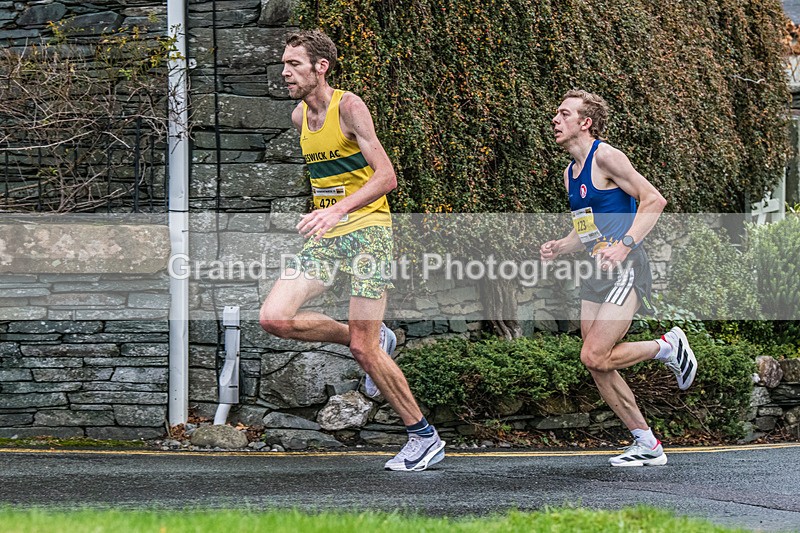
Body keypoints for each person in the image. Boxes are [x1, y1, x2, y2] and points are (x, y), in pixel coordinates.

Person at [259, 29, 445, 472]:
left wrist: (336, 211)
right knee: (274, 318)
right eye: (284, 64)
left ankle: (424, 437)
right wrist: (323, 215)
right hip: (329, 234)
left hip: (368, 232)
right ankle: (372, 338)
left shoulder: (350, 106)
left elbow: (386, 177)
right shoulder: (298, 117)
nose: (285, 72)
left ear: (320, 67)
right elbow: (329, 180)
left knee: (364, 351)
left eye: (294, 64)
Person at [540, 89, 697, 467]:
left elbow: (653, 200)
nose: (556, 121)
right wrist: (561, 246)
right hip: (597, 272)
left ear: (585, 122)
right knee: (595, 361)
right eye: (557, 115)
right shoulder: (570, 174)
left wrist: (625, 245)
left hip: (626, 267)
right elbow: (587, 231)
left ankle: (666, 347)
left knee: (594, 353)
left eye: (564, 114)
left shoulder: (606, 156)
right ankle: (646, 442)